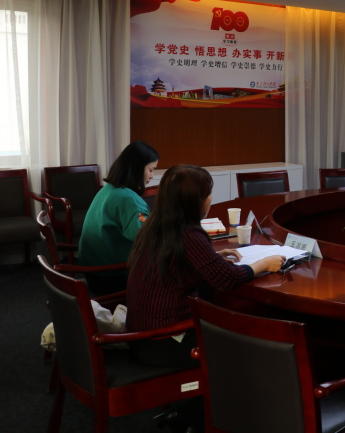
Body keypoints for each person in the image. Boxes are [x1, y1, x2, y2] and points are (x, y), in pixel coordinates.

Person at [126, 164, 284, 367]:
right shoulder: (188, 234)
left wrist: (212, 257)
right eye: (208, 194)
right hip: (166, 340)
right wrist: (263, 264)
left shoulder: (156, 224)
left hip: (141, 337)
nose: (211, 199)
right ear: (193, 201)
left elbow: (176, 262)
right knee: (251, 339)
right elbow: (227, 279)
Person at [78, 140, 160, 295]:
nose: (152, 176)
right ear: (137, 168)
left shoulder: (110, 189)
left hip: (94, 270)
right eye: (150, 170)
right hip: (112, 276)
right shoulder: (129, 200)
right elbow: (148, 240)